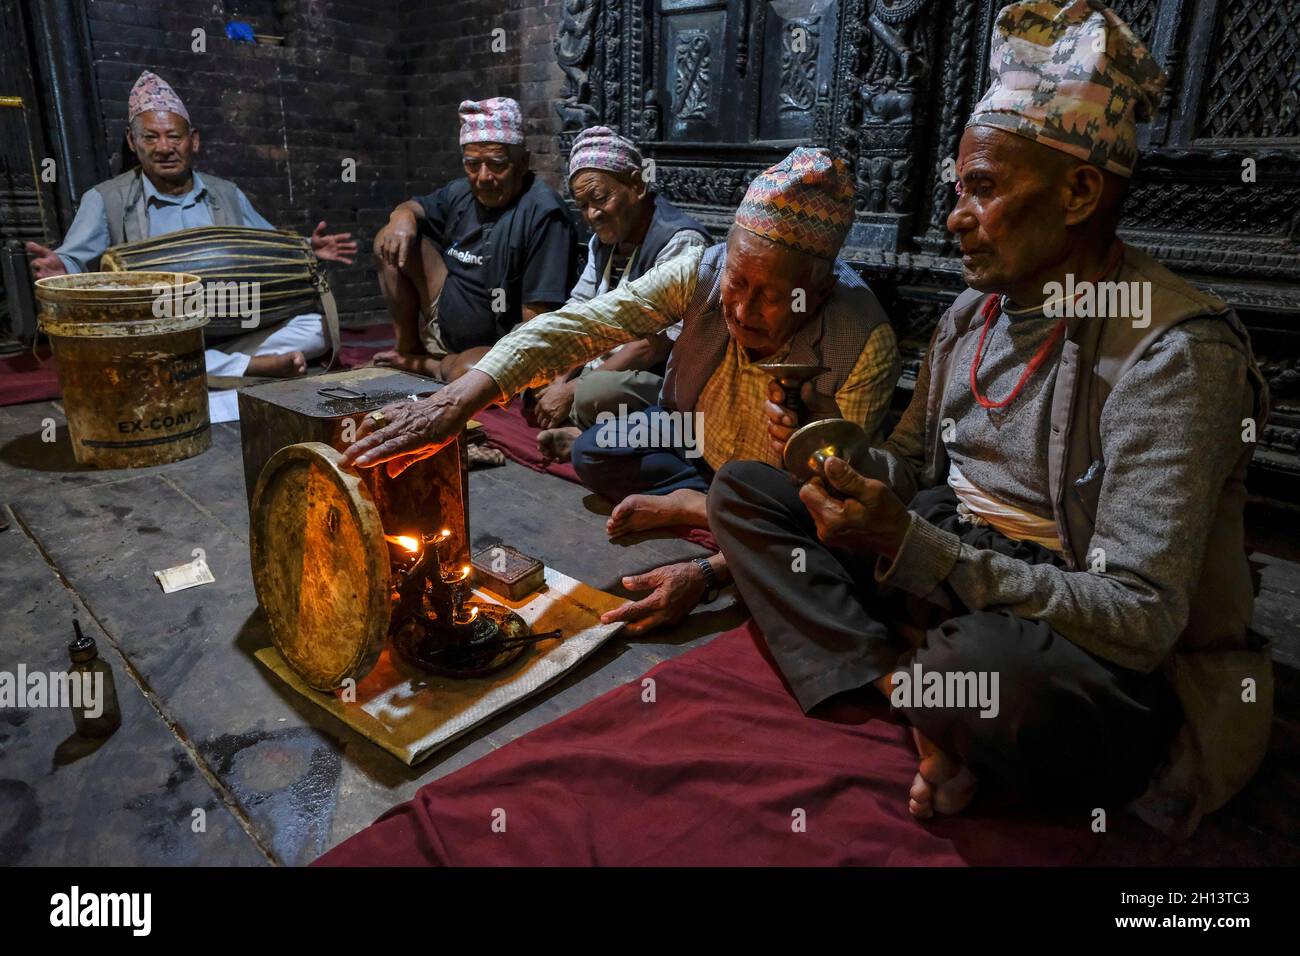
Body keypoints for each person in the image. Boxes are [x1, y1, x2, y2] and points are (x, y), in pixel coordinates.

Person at [708, 0, 1271, 836]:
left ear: (1079, 190)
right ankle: (916, 695)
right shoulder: (974, 315)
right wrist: (851, 473)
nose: (955, 218)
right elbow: (909, 464)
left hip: (1081, 644)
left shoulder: (1172, 353)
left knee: (987, 667)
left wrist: (916, 549)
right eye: (957, 190)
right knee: (747, 494)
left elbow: (1142, 620)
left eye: (982, 190)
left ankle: (925, 685)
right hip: (949, 570)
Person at [342, 146, 901, 637]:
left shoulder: (861, 340)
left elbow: (839, 507)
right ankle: (709, 504)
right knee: (593, 450)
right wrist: (454, 400)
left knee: (819, 521)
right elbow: (578, 326)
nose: (741, 310)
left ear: (818, 289)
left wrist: (707, 573)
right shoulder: (701, 270)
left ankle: (703, 506)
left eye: (772, 295)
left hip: (772, 489)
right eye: (737, 281)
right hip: (692, 433)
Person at [26, 70, 356, 379]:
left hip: (233, 323)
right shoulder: (105, 199)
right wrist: (63, 269)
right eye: (151, 137)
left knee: (318, 328)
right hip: (159, 331)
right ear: (132, 142)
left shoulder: (227, 194)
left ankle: (212, 366)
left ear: (193, 140)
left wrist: (306, 250)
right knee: (123, 348)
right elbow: (73, 258)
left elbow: (269, 246)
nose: (165, 148)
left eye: (174, 136)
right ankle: (247, 367)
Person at [531, 126, 710, 463]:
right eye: (583, 205)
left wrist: (571, 391)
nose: (592, 215)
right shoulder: (604, 241)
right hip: (604, 361)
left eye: (600, 199)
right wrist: (558, 378)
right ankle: (588, 427)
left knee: (593, 395)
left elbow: (650, 346)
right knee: (533, 356)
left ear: (637, 185)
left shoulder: (681, 242)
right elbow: (577, 316)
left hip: (656, 379)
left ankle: (585, 432)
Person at [371, 97, 577, 382]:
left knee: (469, 374)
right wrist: (402, 217)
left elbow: (537, 321)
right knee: (388, 239)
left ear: (522, 163)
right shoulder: (461, 192)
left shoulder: (544, 213)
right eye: (472, 164)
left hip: (495, 342)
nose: (483, 177)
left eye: (496, 164)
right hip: (443, 311)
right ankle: (408, 349)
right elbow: (415, 206)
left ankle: (426, 366)